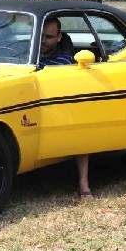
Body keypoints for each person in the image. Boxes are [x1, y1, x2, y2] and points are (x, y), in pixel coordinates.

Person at [39, 17, 92, 199]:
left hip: (59, 110)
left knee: (80, 128)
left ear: (59, 37)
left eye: (49, 36)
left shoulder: (66, 60)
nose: (43, 41)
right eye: (40, 36)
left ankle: (83, 183)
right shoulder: (22, 54)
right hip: (33, 108)